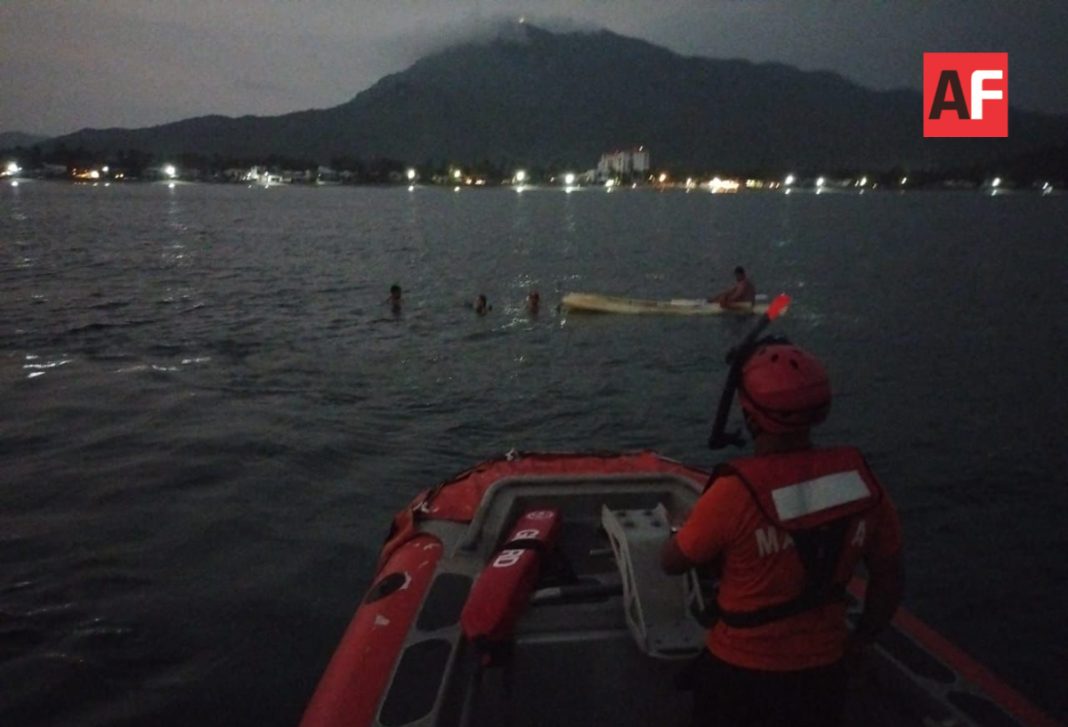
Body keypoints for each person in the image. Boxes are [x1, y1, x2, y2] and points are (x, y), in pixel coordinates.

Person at [661, 340, 904, 727]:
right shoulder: (861, 485)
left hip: (739, 674)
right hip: (824, 675)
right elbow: (889, 576)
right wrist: (862, 640)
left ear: (752, 416)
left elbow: (672, 561)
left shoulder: (734, 494)